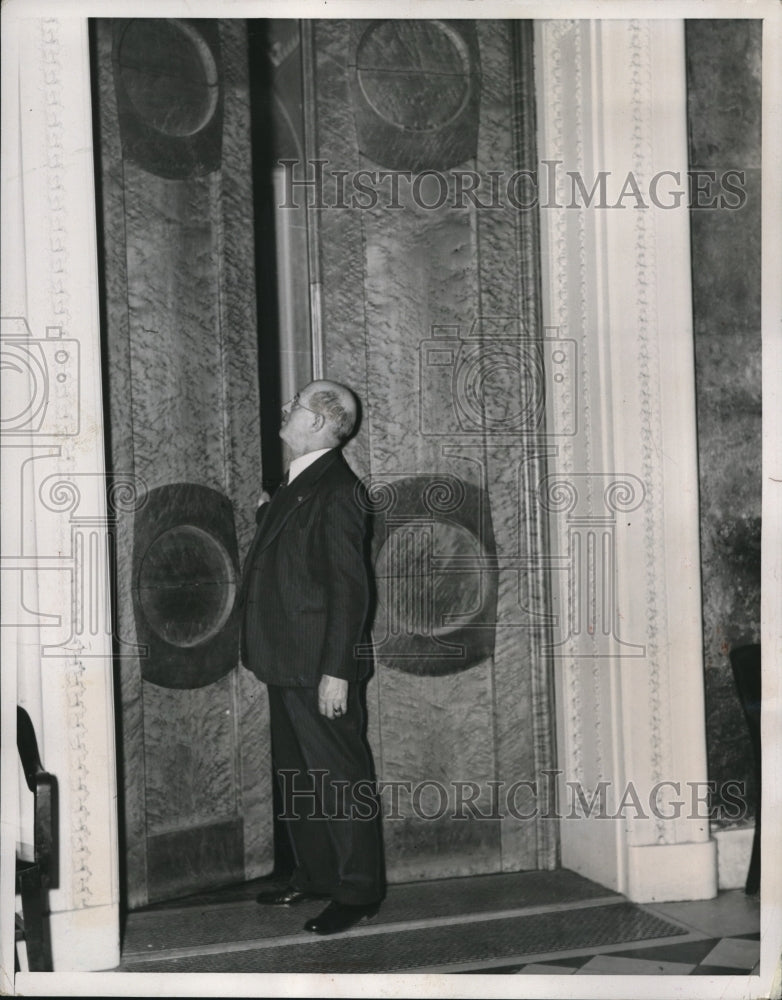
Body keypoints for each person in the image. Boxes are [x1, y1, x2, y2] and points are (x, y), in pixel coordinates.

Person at [240, 379, 383, 935]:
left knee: (340, 777)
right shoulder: (302, 482)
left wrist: (336, 673)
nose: (285, 410)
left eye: (294, 405)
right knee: (298, 774)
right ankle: (318, 875)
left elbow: (350, 591)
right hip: (284, 657)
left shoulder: (338, 490)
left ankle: (358, 891)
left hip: (319, 665)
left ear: (321, 423)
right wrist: (265, 517)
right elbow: (297, 559)